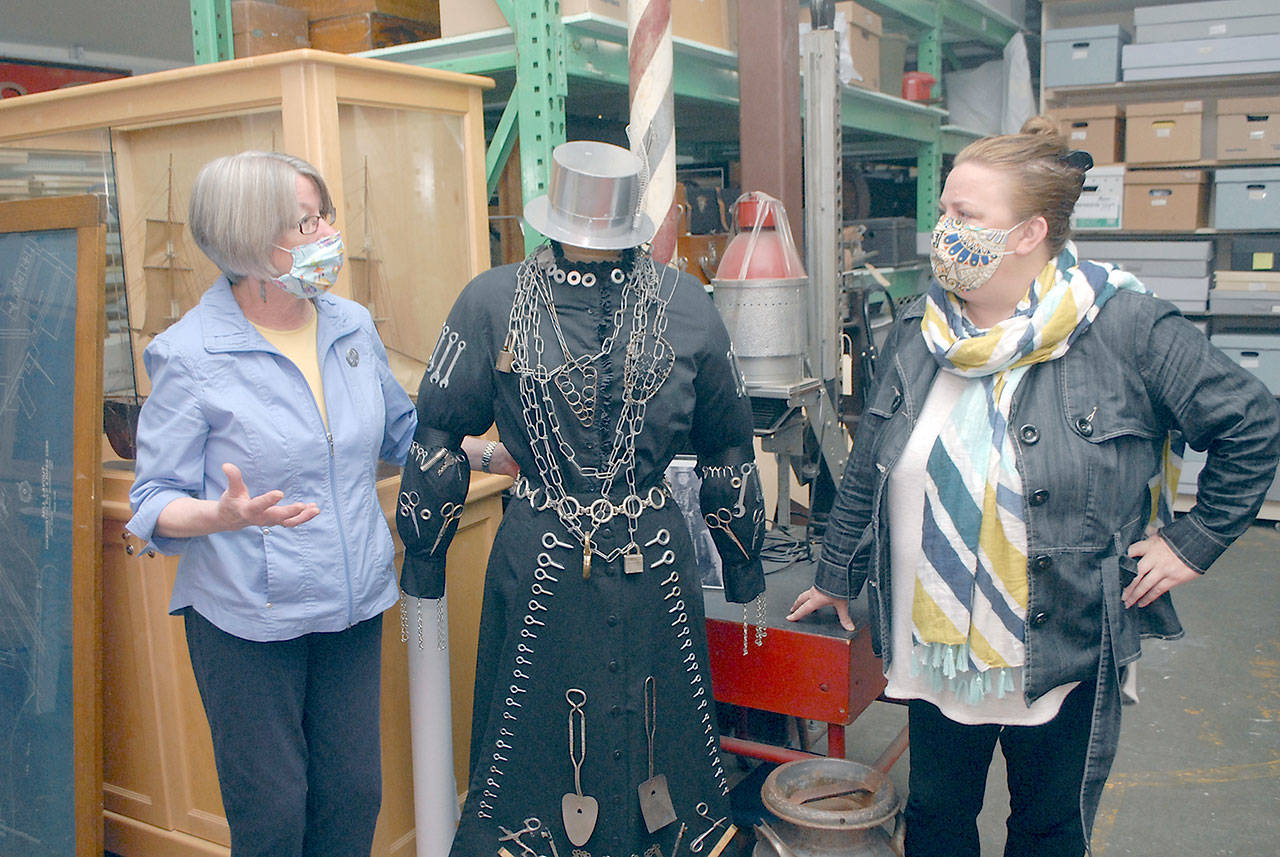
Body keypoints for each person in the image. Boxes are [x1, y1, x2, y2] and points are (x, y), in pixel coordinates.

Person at [787, 118, 1280, 857]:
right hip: (935, 645)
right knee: (936, 818)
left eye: (965, 216)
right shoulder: (923, 333)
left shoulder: (1123, 327)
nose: (942, 229)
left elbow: (1250, 420)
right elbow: (871, 465)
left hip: (1060, 642)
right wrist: (834, 574)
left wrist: (1194, 542)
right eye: (943, 210)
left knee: (1047, 829)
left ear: (1026, 234)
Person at [125, 150, 511, 857]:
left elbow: (400, 430)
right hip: (246, 619)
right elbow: (152, 502)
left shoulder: (350, 326)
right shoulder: (190, 354)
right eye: (307, 221)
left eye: (325, 213)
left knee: (352, 799)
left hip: (352, 603)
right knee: (273, 816)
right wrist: (221, 515)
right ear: (248, 241)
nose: (327, 232)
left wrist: (490, 453)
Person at [395, 140, 767, 856]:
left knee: (665, 740)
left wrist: (746, 574)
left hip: (653, 555)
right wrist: (424, 572)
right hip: (542, 557)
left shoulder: (685, 304)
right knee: (533, 742)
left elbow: (729, 444)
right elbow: (436, 435)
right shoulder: (492, 301)